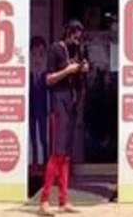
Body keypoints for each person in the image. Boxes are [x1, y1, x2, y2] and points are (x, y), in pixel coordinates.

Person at [39, 20, 89, 215]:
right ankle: (44, 200)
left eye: (79, 37)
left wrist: (83, 68)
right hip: (58, 100)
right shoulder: (56, 49)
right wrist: (67, 71)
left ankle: (63, 201)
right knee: (57, 152)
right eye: (74, 35)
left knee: (67, 156)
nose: (77, 40)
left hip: (72, 101)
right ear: (67, 32)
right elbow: (48, 79)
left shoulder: (77, 50)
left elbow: (80, 75)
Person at [29, 36, 49, 168]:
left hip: (43, 109)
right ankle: (34, 161)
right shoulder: (28, 75)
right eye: (34, 54)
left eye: (41, 55)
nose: (37, 59)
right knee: (33, 137)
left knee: (43, 136)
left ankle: (46, 161)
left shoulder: (46, 75)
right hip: (30, 109)